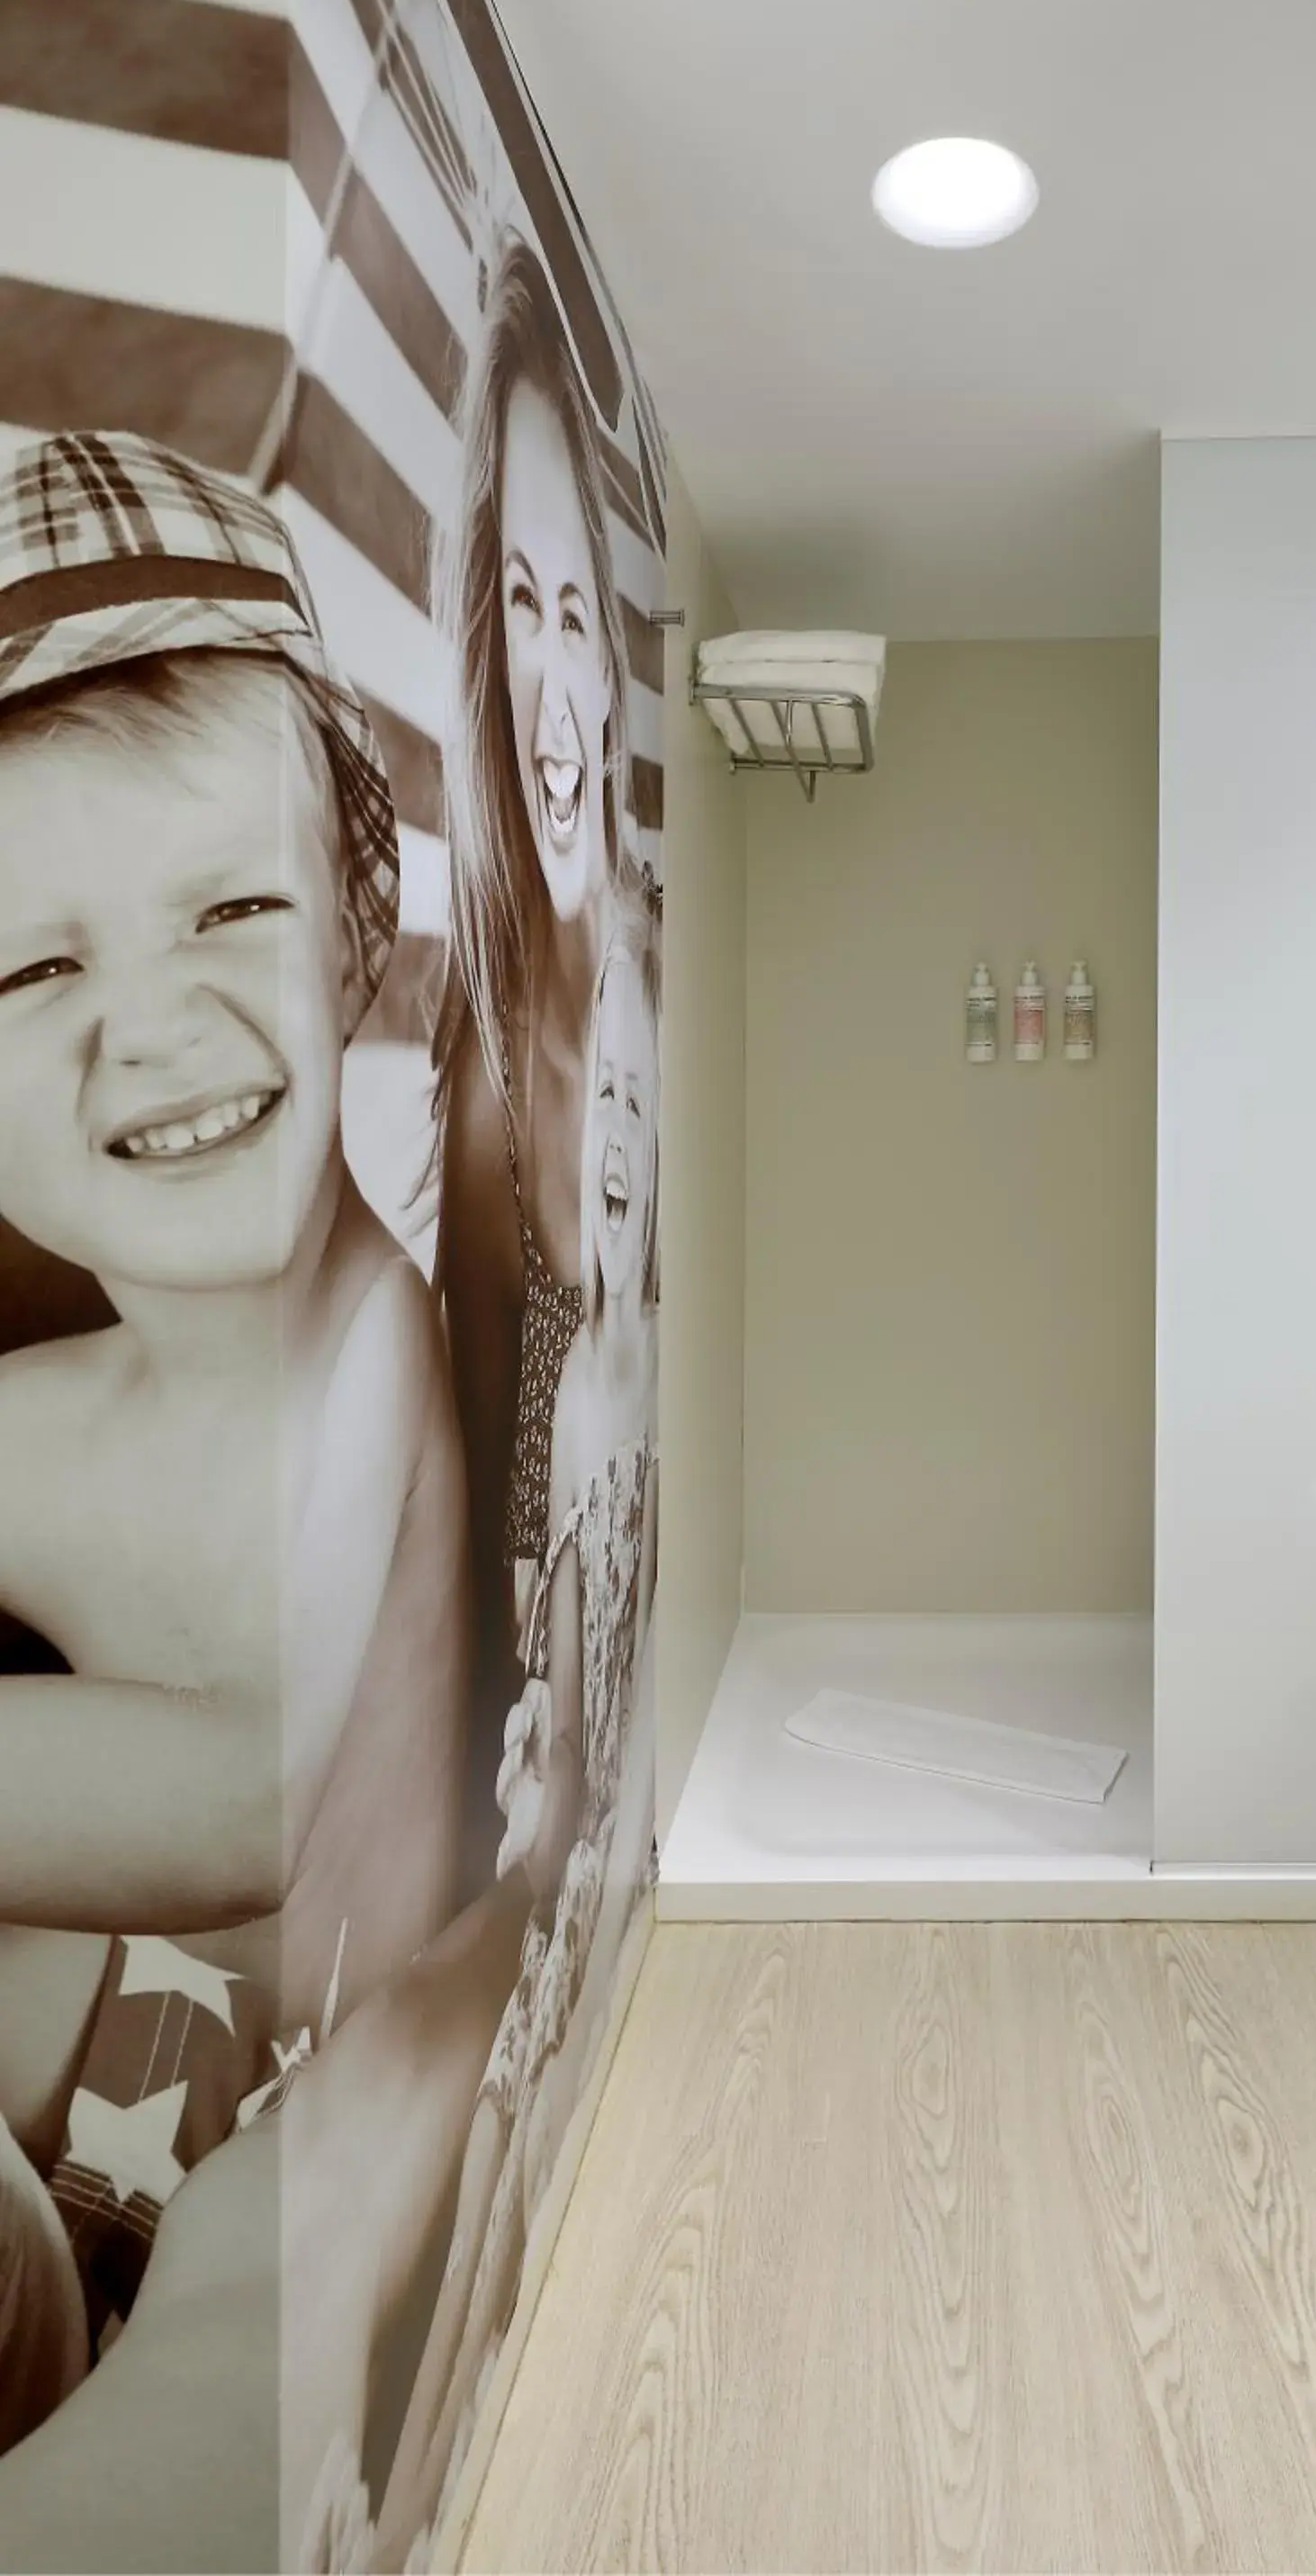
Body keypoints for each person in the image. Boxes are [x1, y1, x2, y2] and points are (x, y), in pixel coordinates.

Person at [0, 432, 469, 2400]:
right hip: (61, 2141)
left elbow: (247, 1798)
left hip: (303, 2137)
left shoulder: (383, 1346)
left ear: (362, 910)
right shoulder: (44, 1420)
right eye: (28, 964)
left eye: (228, 914)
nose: (154, 1026)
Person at [374, 870, 663, 2563]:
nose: (613, 1128)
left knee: (484, 2207)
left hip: (538, 1850)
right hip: (506, 1849)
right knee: (468, 2184)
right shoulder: (558, 1360)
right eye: (596, 1089)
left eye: (633, 1093)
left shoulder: (624, 1367)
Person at [429, 232, 637, 1851]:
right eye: (521, 607)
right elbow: (477, 1418)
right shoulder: (487, 1045)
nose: (553, 697)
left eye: (579, 616)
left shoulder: (640, 968)